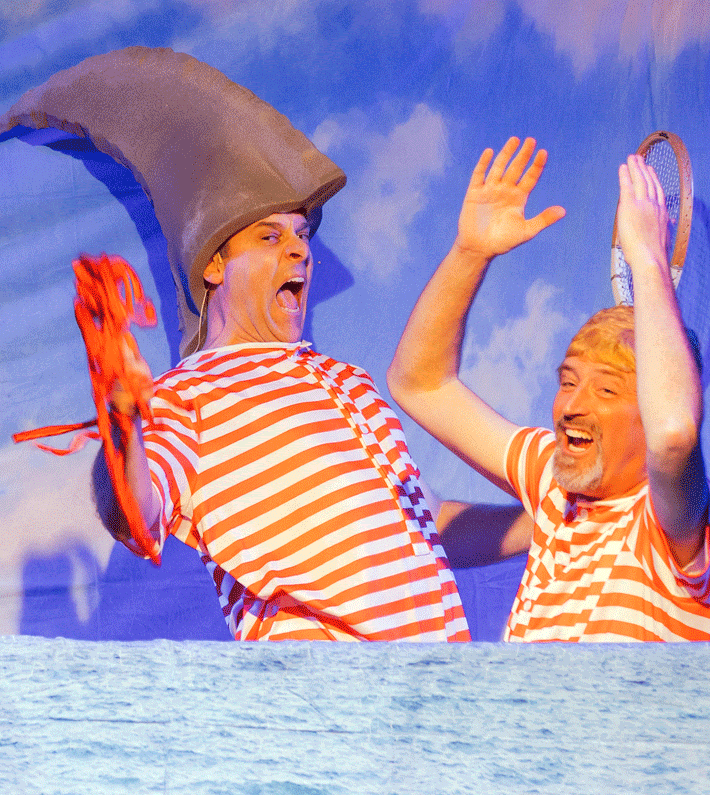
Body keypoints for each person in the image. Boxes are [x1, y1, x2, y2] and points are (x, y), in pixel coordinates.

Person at [1, 46, 472, 642]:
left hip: (437, 684)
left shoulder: (350, 381)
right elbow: (137, 513)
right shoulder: (189, 395)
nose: (299, 250)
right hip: (325, 691)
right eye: (270, 237)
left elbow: (426, 521)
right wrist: (122, 420)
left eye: (301, 235)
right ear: (215, 265)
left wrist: (550, 516)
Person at [388, 136, 710, 641]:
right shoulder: (553, 483)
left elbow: (673, 435)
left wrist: (648, 258)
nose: (572, 406)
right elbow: (420, 383)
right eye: (568, 381)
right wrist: (470, 253)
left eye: (606, 390)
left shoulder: (673, 524)